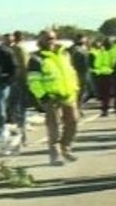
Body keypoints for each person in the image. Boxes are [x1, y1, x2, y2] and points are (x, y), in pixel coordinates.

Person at [26, 29, 81, 165]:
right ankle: (54, 155)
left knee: (73, 122)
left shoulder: (65, 54)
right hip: (51, 97)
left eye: (52, 38)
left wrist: (75, 89)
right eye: (47, 39)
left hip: (68, 95)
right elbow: (33, 81)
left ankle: (66, 148)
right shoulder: (36, 59)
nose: (50, 41)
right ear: (40, 41)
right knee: (53, 127)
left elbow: (71, 73)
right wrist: (43, 96)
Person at [91, 37, 116, 117]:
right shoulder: (113, 53)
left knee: (104, 94)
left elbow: (96, 64)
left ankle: (104, 110)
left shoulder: (101, 53)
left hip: (102, 75)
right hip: (111, 75)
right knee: (112, 94)